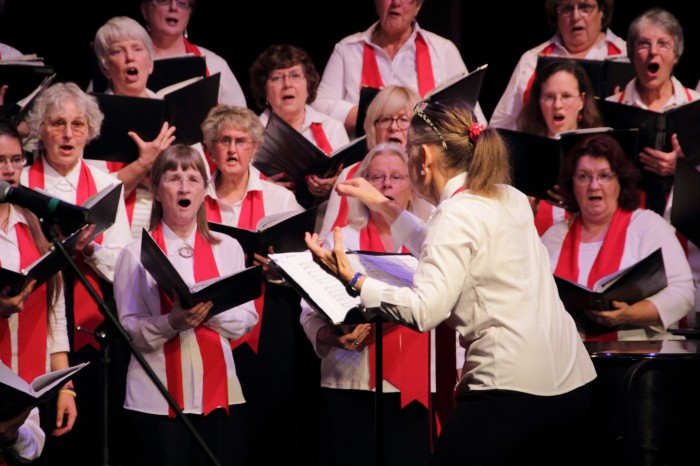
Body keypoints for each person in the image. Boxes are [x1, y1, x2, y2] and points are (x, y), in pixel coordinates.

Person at [306, 99, 596, 465]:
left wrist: (357, 280)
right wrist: (385, 205)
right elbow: (445, 247)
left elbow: (426, 311)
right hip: (571, 383)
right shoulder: (509, 196)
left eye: (408, 152)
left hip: (510, 387)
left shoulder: (454, 214)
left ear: (423, 157)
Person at [113, 144, 258, 466]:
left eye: (192, 179)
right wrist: (172, 322)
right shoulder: (134, 253)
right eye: (173, 178)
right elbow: (130, 329)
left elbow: (247, 318)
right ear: (156, 189)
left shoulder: (228, 248)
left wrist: (208, 311)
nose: (183, 187)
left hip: (219, 394)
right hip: (155, 399)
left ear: (204, 191)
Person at [300, 142, 435, 466]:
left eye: (396, 176)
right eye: (376, 177)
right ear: (361, 187)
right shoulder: (340, 239)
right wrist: (327, 336)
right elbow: (307, 309)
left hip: (415, 386)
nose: (386, 184)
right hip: (350, 380)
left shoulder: (429, 239)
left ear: (413, 187)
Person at [21, 82, 131, 466]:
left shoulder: (106, 186)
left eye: (77, 124)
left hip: (90, 316)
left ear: (90, 131)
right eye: (57, 124)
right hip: (33, 310)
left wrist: (90, 249)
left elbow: (123, 266)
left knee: (92, 436)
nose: (68, 134)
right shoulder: (20, 185)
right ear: (39, 130)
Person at [201, 104, 310, 465]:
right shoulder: (196, 199)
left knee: (269, 431)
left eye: (241, 141)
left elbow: (309, 268)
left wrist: (278, 267)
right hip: (208, 327)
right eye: (224, 141)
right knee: (218, 434)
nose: (232, 150)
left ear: (255, 147)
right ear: (210, 149)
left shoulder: (280, 200)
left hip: (271, 323)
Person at [541, 133, 694, 340]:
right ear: (572, 183)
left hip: (636, 359)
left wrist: (631, 313)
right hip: (570, 358)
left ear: (619, 181)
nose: (594, 185)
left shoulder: (648, 226)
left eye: (604, 176)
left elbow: (682, 292)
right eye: (584, 176)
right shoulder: (553, 237)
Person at [0, 121, 76, 453]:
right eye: (0, 160)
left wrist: (65, 386)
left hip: (26, 380)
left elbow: (54, 313)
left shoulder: (33, 226)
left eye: (17, 159)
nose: (9, 169)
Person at [313, 0, 487, 136]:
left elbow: (474, 117)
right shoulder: (348, 49)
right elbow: (318, 109)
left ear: (418, 6)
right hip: (367, 160)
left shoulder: (442, 50)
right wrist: (375, 115)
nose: (396, 2)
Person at [91, 16, 179, 238]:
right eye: (118, 51)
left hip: (169, 226)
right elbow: (97, 194)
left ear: (150, 63)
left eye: (137, 49)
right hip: (115, 231)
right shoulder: (91, 117)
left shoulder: (172, 110)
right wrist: (144, 164)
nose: (130, 57)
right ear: (105, 68)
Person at [606, 8, 699, 214]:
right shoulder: (611, 108)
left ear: (676, 55)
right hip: (625, 223)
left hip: (685, 229)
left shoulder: (697, 106)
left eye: (663, 44)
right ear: (631, 54)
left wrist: (681, 170)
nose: (653, 52)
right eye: (644, 44)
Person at [491, 0, 625, 131]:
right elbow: (500, 128)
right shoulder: (532, 60)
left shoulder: (626, 56)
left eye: (585, 7)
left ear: (602, 10)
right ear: (556, 14)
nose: (576, 17)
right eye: (566, 9)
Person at [319, 84, 429, 240]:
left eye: (403, 120)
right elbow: (328, 238)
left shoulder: (428, 173)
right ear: (372, 128)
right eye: (385, 119)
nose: (393, 127)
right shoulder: (350, 175)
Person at [249, 43, 349, 201]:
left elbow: (350, 180)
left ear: (308, 85)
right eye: (277, 78)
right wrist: (262, 186)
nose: (287, 84)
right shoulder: (248, 133)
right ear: (264, 91)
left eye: (295, 75)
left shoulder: (332, 128)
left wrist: (335, 184)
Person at [516, 59, 604, 235]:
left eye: (566, 96)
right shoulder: (523, 154)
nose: (557, 105)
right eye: (549, 97)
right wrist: (524, 211)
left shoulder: (601, 151)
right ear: (539, 101)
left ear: (582, 101)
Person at [140, 0, 246, 107]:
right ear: (145, 10)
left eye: (181, 3)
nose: (173, 7)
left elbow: (242, 119)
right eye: (164, 1)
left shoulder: (214, 63)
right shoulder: (128, 62)